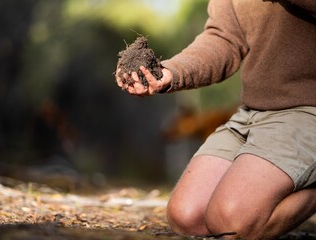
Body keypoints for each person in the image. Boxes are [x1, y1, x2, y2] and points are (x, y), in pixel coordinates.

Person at [116, 0, 316, 239]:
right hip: (253, 111)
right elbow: (223, 39)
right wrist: (169, 73)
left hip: (308, 109)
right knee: (187, 216)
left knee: (231, 221)